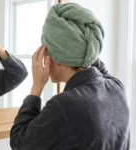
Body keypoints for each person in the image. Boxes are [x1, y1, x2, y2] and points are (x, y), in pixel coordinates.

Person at [10, 3, 130, 150]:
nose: (44, 56)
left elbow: (19, 143)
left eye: (46, 50)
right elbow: (93, 60)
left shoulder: (63, 106)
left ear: (58, 57)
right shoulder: (116, 87)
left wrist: (37, 87)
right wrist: (75, 49)